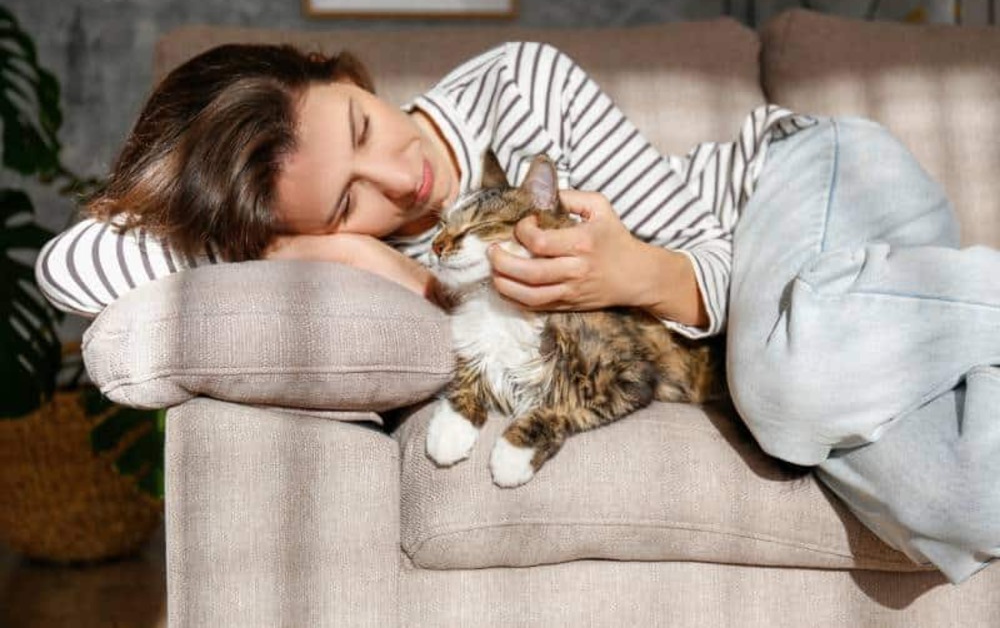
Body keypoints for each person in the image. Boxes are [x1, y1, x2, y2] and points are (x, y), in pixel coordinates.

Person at [34, 41, 997, 584]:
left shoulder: (519, 88)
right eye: (346, 200)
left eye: (364, 128)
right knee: (950, 503)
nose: (399, 178)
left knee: (791, 385)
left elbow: (709, 251)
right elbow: (71, 267)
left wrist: (633, 272)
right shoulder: (377, 249)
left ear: (349, 77)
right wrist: (316, 247)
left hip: (802, 191)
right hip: (880, 312)